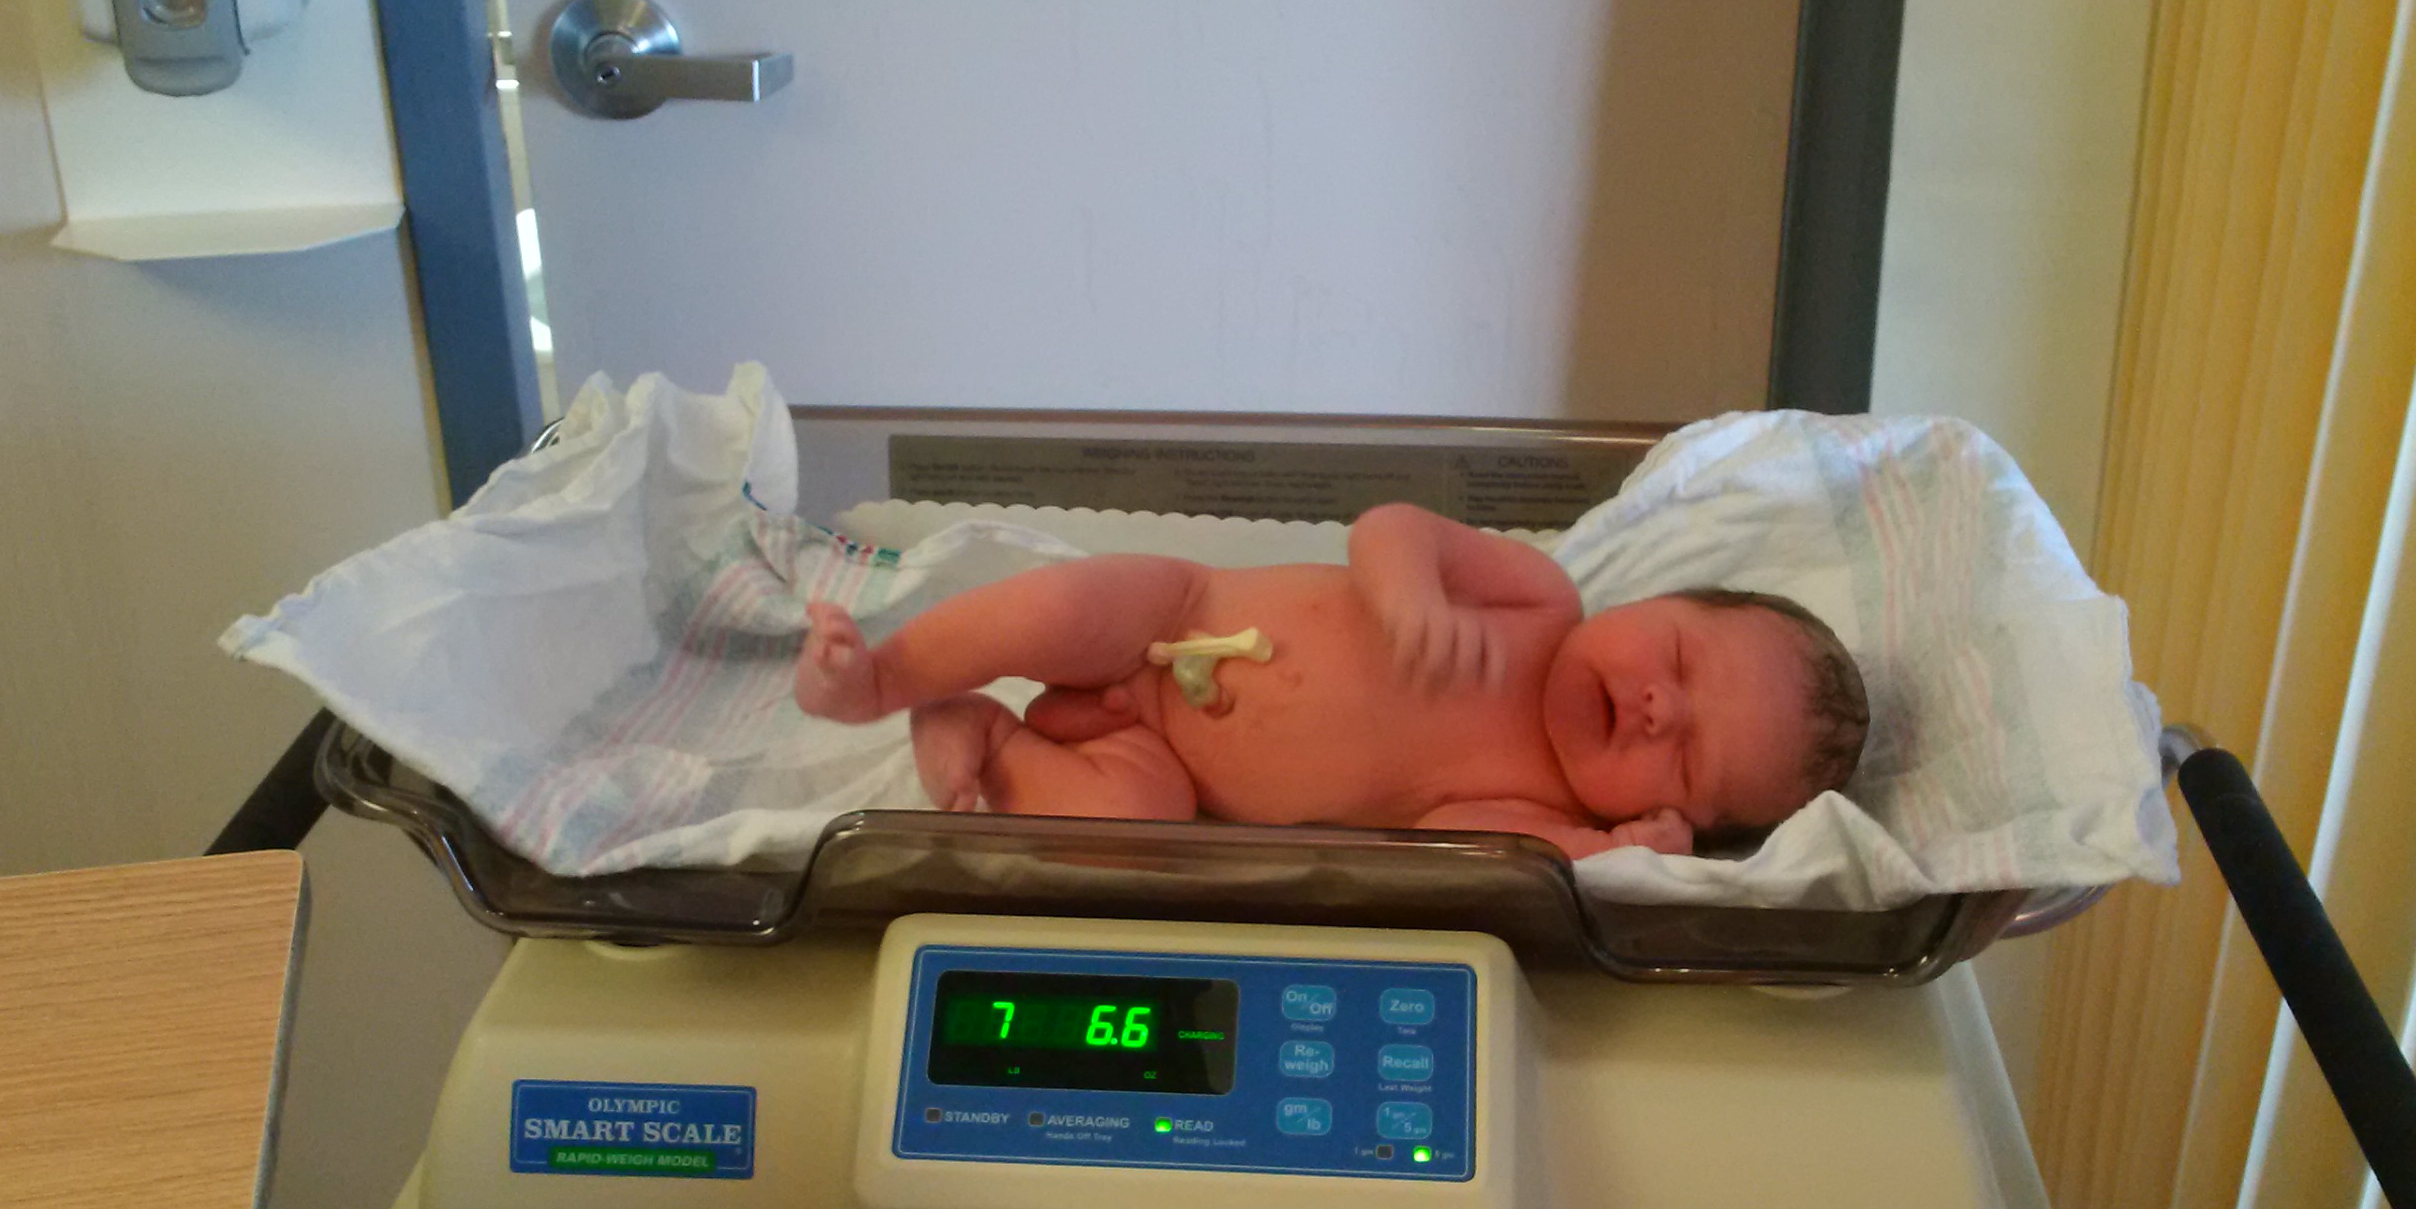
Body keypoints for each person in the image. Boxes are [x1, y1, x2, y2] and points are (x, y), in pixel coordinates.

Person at [794, 503, 1868, 857]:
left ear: (1681, 816)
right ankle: (882, 677)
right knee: (1059, 609)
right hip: (1174, 614)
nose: (1659, 707)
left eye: (1687, 759)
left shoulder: (1541, 802)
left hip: (1168, 764)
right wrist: (1410, 596)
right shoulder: (1539, 601)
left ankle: (987, 737)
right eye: (1676, 659)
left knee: (1133, 829)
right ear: (1655, 601)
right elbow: (1391, 528)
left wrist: (1613, 854)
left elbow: (1473, 850)